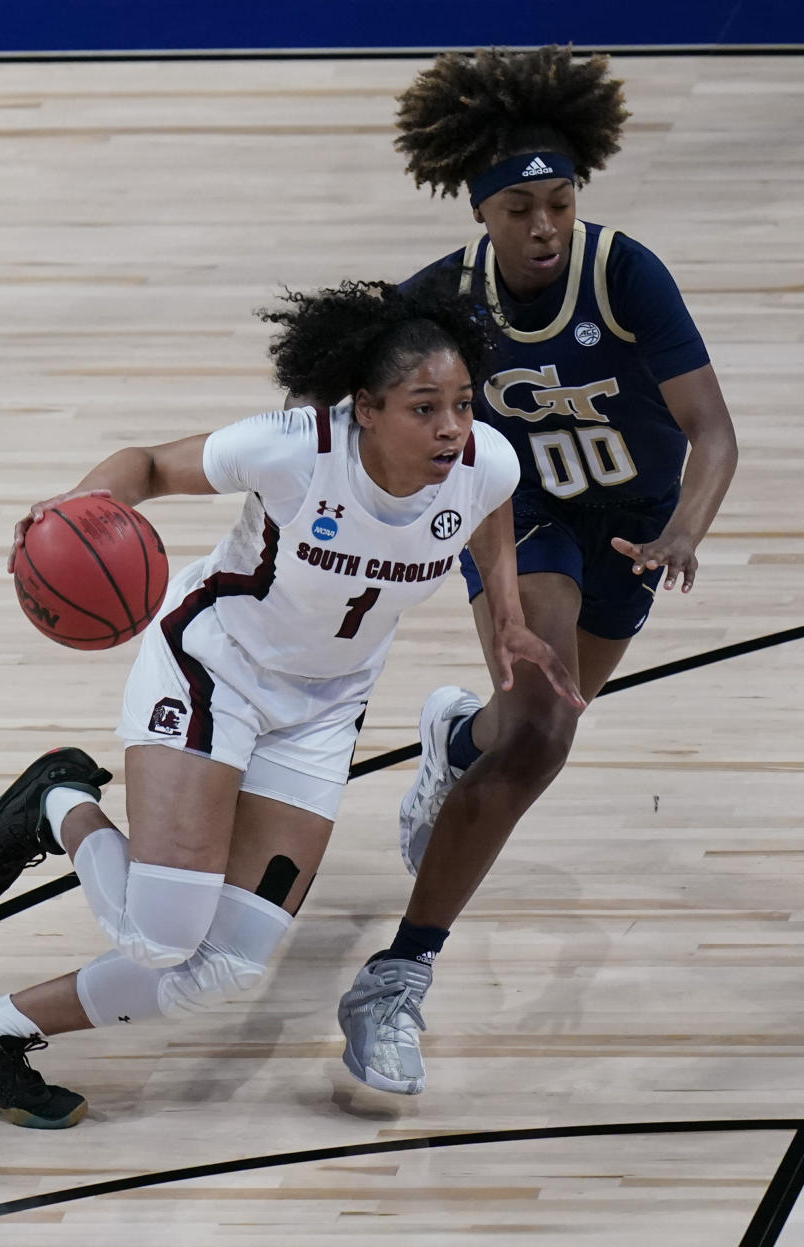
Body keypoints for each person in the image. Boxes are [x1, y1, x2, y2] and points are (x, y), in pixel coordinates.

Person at [0, 279, 585, 1127]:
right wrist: (80, 506)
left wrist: (508, 615)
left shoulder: (483, 459)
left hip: (322, 711)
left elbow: (488, 507)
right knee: (161, 935)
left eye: (461, 402)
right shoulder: (294, 449)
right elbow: (151, 463)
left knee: (227, 964)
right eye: (425, 408)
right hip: (213, 671)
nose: (452, 426)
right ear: (367, 408)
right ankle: (59, 804)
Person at [336, 46, 738, 1094]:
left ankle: (451, 736)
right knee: (543, 735)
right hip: (527, 520)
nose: (546, 226)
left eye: (559, 202)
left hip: (637, 527)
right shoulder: (440, 304)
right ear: (482, 213)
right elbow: (355, 417)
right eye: (521, 209)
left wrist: (686, 531)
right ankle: (396, 976)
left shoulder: (625, 273)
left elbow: (714, 433)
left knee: (521, 733)